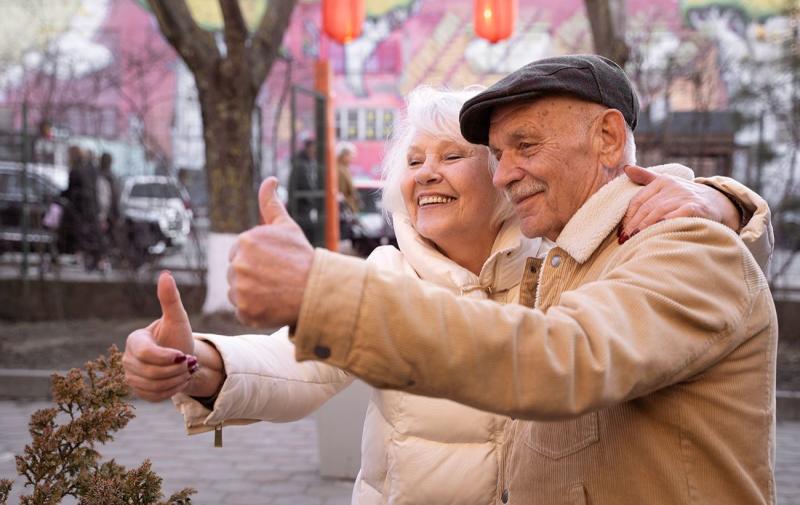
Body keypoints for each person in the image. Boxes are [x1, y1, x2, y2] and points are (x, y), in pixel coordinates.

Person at [124, 82, 771, 504]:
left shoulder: (552, 264)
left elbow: (580, 337)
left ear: (499, 180)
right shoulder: (385, 276)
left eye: (453, 155)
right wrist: (200, 363)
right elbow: (294, 366)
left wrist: (725, 200)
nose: (426, 172)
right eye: (412, 161)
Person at [288, 136, 320, 244]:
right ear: (308, 148)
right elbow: (307, 187)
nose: (315, 152)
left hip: (301, 208)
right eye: (314, 148)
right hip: (301, 209)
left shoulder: (304, 163)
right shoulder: (302, 166)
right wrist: (317, 202)